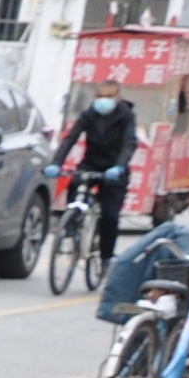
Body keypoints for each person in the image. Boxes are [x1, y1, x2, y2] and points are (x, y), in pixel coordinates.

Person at [58, 78, 140, 251]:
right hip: (91, 164)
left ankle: (105, 257)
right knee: (74, 184)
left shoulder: (126, 116)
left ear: (118, 97)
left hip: (114, 169)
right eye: (100, 96)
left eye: (109, 96)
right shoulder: (89, 115)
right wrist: (56, 162)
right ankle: (72, 224)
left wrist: (120, 166)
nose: (104, 100)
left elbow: (129, 143)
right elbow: (70, 139)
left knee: (110, 216)